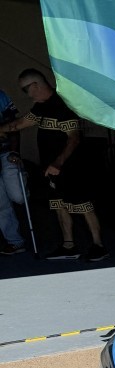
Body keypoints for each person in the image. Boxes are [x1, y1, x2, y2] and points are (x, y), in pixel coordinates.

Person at [2, 69, 107, 261]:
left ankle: (98, 245)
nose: (26, 94)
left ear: (35, 85)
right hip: (50, 168)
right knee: (59, 204)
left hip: (71, 166)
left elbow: (74, 138)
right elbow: (20, 123)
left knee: (83, 205)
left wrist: (58, 162)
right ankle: (69, 245)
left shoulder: (62, 105)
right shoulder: (41, 107)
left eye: (25, 89)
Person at [0, 88, 27, 255]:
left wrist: (15, 151)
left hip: (6, 152)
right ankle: (15, 241)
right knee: (1, 203)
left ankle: (23, 179)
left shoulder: (1, 96)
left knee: (18, 196)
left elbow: (15, 124)